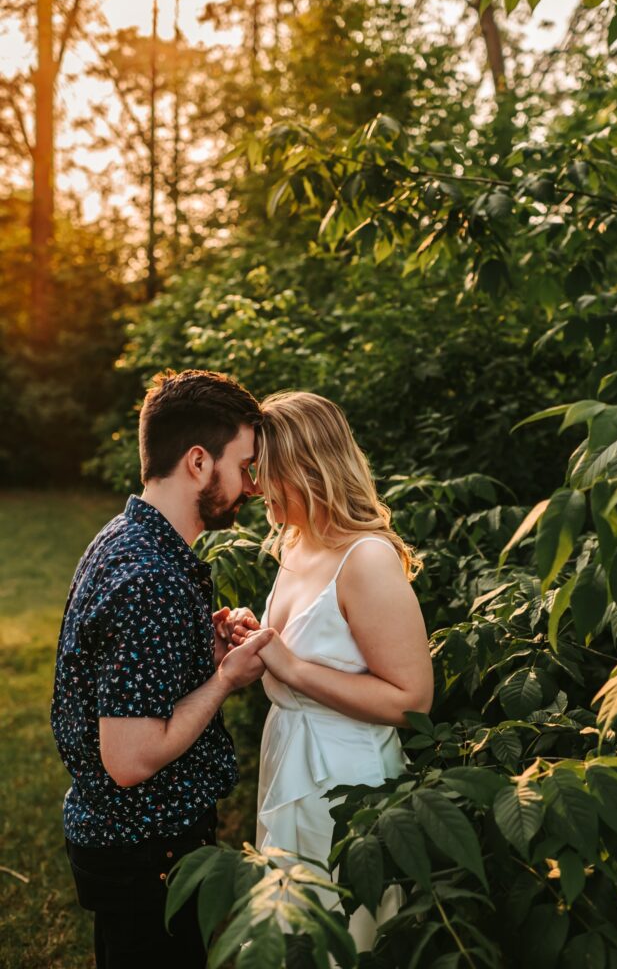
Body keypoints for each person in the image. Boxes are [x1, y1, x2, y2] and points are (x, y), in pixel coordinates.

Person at [50, 369, 273, 969]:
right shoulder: (151, 578)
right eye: (245, 465)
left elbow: (129, 687)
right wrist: (226, 681)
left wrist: (207, 662)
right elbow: (129, 759)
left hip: (126, 841)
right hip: (146, 849)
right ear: (199, 462)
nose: (252, 487)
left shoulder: (126, 537)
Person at [227, 391, 433, 950]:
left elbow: (412, 701)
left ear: (304, 467)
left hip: (346, 782)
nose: (252, 487)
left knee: (342, 931)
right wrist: (255, 634)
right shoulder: (294, 545)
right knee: (290, 929)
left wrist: (290, 665)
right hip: (288, 759)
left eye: (261, 471)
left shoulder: (365, 558)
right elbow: (299, 652)